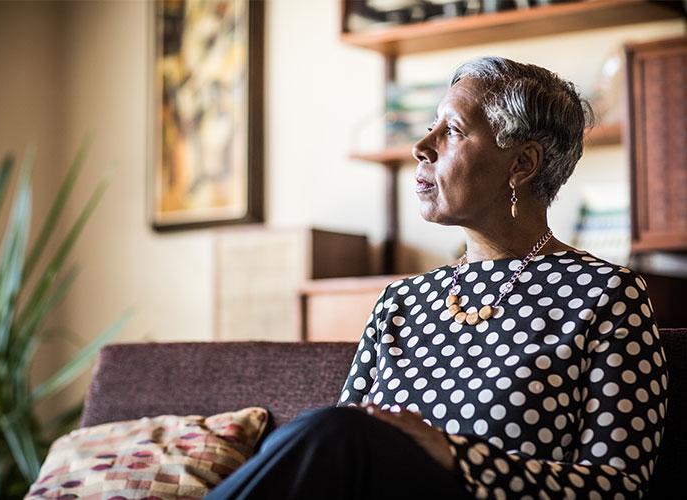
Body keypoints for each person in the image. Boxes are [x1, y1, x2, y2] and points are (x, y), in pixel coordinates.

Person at [206, 56, 668, 500]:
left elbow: (618, 485)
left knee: (336, 432)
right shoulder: (400, 300)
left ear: (522, 164)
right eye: (430, 127)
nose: (421, 148)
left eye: (451, 130)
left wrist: (452, 454)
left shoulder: (605, 294)